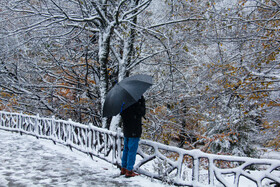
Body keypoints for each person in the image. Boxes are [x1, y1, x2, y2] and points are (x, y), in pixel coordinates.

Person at [120, 96, 145, 177]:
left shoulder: (123, 99)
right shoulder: (137, 99)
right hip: (134, 128)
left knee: (126, 149)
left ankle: (123, 168)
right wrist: (142, 103)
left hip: (126, 128)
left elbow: (122, 113)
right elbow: (141, 112)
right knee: (132, 150)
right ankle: (129, 170)